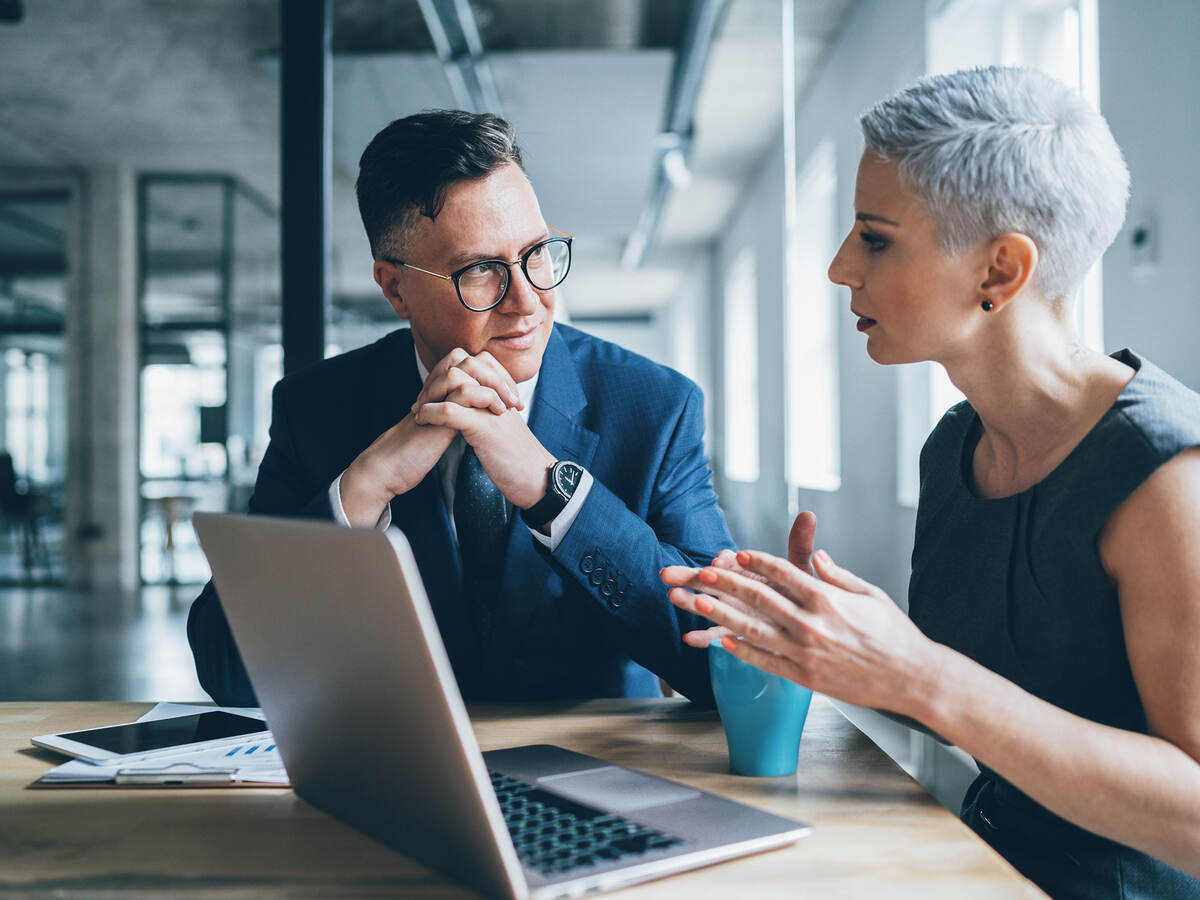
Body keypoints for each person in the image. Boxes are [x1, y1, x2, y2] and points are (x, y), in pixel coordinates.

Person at [662, 67, 1200, 897]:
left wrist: (917, 672)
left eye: (875, 238)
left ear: (998, 272)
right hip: (974, 869)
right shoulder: (955, 448)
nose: (842, 268)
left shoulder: (1169, 480)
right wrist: (830, 637)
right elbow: (981, 709)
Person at [189, 110, 731, 707]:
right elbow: (228, 669)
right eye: (480, 271)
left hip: (598, 772)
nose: (528, 301)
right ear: (395, 288)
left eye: (537, 252)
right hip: (399, 773)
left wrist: (556, 494)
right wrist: (364, 489)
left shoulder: (656, 407)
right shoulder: (316, 410)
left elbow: (722, 660)